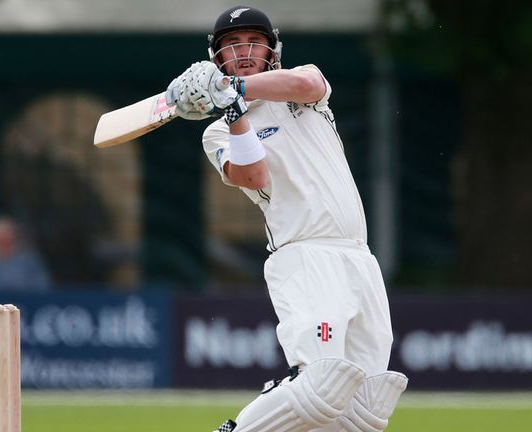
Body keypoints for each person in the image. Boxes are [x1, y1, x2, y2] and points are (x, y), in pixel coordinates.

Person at [165, 6, 407, 432]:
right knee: (322, 385)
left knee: (364, 411)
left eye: (253, 42)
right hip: (304, 256)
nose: (244, 51)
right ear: (217, 56)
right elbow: (254, 176)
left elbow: (307, 84)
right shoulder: (217, 133)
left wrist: (231, 87)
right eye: (232, 45)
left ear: (271, 50)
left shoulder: (302, 88)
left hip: (358, 257)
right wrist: (234, 110)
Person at [0, 216, 52, 292]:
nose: (3, 241)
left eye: (7, 238)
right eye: (0, 239)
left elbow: (43, 288)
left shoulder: (30, 262)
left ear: (15, 238)